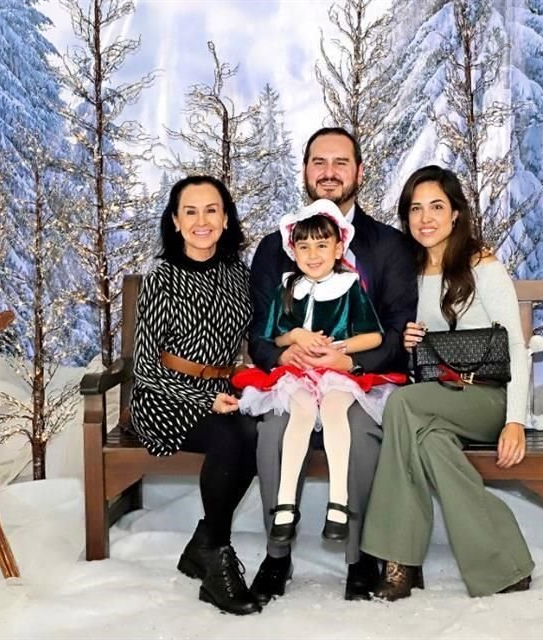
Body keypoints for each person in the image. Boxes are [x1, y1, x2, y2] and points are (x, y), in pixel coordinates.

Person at [248, 128, 418, 603]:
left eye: (340, 162)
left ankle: (360, 557)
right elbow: (259, 334)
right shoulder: (273, 248)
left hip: (359, 378)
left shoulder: (388, 246)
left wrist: (348, 357)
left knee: (361, 432)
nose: (328, 172)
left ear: (359, 172)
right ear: (305, 171)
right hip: (295, 377)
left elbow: (398, 332)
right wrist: (284, 351)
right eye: (318, 162)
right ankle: (276, 554)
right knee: (273, 431)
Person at [360, 165, 535, 600]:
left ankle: (399, 561)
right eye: (415, 209)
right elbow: (401, 342)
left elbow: (516, 344)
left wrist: (515, 420)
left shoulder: (482, 265)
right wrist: (409, 339)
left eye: (437, 206)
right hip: (437, 399)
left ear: (456, 213)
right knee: (430, 442)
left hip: (486, 397)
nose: (425, 218)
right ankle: (505, 563)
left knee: (401, 406)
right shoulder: (409, 271)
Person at [234, 199, 404, 545]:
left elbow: (374, 335)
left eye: (322, 245)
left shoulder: (349, 287)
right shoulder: (287, 288)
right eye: (304, 246)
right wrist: (293, 336)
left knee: (334, 407)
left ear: (339, 247)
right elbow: (269, 336)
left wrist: (340, 350)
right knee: (301, 410)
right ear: (292, 250)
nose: (313, 254)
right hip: (297, 374)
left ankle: (339, 500)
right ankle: (285, 504)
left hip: (336, 373)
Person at [129, 175, 261, 615]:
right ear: (175, 221)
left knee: (252, 432)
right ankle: (217, 557)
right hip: (164, 396)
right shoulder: (162, 278)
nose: (201, 220)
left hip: (222, 389)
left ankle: (204, 542)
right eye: (190, 211)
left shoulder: (237, 274)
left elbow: (258, 336)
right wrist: (202, 399)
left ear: (225, 219)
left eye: (211, 210)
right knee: (229, 436)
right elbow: (145, 367)